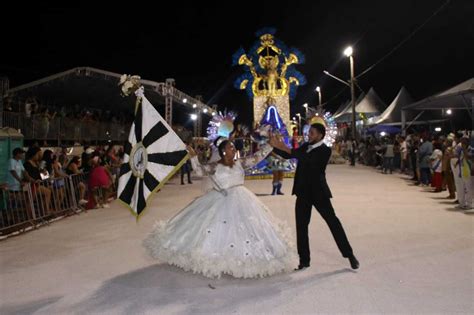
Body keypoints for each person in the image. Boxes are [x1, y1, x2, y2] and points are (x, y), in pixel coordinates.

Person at [143, 139, 297, 278]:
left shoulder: (240, 163)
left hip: (242, 199)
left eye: (233, 147)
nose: (233, 149)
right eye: (230, 147)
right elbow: (198, 171)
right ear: (223, 151)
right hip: (220, 199)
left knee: (247, 229)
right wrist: (193, 157)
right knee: (216, 229)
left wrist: (270, 145)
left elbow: (257, 157)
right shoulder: (215, 166)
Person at [269, 121, 359, 271]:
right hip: (303, 193)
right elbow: (290, 154)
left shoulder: (325, 150)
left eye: (312, 133)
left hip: (319, 193)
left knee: (333, 222)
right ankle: (304, 260)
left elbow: (307, 160)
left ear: (320, 135)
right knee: (301, 227)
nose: (308, 135)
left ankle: (349, 254)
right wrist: (274, 146)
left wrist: (283, 146)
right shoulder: (305, 146)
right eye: (309, 132)